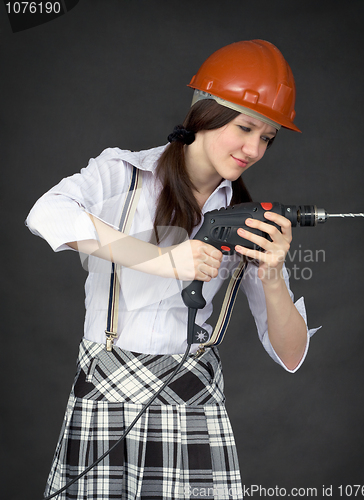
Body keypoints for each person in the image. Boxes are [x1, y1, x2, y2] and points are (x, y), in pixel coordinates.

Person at [26, 40, 318, 500]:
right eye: (245, 127)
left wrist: (274, 273)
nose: (254, 148)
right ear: (204, 115)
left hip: (194, 409)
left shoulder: (245, 218)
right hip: (106, 402)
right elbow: (46, 213)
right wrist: (163, 259)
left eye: (267, 137)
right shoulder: (122, 176)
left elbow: (291, 355)